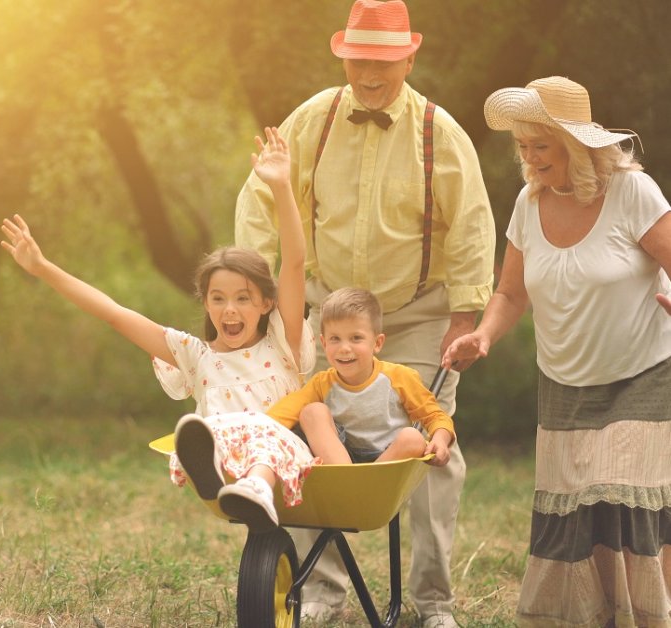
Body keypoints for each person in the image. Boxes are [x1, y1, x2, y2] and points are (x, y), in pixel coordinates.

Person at [234, 1, 495, 624]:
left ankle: (432, 603)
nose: (369, 73)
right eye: (358, 60)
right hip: (325, 309)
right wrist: (256, 295)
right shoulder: (311, 121)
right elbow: (261, 203)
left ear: (410, 54)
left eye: (382, 60)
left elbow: (471, 225)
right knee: (300, 434)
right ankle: (322, 590)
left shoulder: (439, 132)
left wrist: (466, 312)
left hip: (416, 311)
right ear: (342, 55)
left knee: (435, 450)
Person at [1, 128, 342, 534]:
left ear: (266, 304)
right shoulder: (194, 356)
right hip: (229, 458)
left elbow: (293, 262)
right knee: (203, 430)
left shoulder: (282, 343)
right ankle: (219, 468)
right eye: (218, 299)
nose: (229, 310)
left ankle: (258, 484)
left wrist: (283, 187)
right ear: (206, 303)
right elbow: (113, 313)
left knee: (265, 430)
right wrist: (44, 269)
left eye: (243, 299)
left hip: (284, 456)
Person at [444, 75, 671, 627]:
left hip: (640, 375)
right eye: (522, 146)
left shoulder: (632, 193)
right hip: (564, 384)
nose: (529, 157)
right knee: (574, 512)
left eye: (539, 145)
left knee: (622, 499)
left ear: (575, 144)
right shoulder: (529, 202)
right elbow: (510, 291)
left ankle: (645, 617)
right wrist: (484, 336)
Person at [267, 287, 456, 468]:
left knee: (413, 437)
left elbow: (435, 416)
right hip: (340, 457)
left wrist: (440, 438)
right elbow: (285, 411)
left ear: (377, 343)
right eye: (335, 339)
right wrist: (255, 428)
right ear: (324, 343)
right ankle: (348, 480)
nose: (344, 348)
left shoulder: (399, 378)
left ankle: (364, 486)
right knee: (311, 412)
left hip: (387, 458)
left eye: (356, 338)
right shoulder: (321, 383)